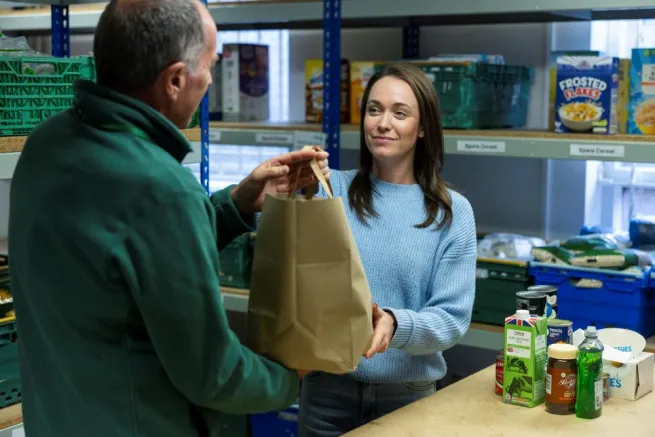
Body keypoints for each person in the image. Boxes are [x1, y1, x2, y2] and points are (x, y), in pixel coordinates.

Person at [8, 0, 328, 436]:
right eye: (210, 66)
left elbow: (132, 254)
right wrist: (291, 377)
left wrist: (236, 202)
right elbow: (213, 373)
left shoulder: (46, 145)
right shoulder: (162, 189)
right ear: (175, 80)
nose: (212, 79)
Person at [298, 63, 477, 436]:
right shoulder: (330, 191)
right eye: (374, 109)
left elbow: (451, 320)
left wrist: (395, 324)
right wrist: (294, 189)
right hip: (327, 393)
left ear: (423, 127)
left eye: (400, 113)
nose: (383, 123)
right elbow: (285, 262)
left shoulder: (451, 212)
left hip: (409, 398)